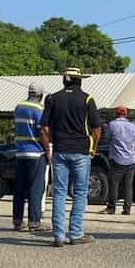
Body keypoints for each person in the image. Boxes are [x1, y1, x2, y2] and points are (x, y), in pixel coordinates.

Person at [40, 67, 102, 248]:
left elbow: (44, 128)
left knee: (59, 192)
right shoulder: (87, 99)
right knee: (80, 192)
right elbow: (97, 128)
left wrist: (52, 141)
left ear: (64, 80)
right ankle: (75, 233)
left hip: (60, 150)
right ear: (80, 80)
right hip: (81, 151)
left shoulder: (52, 99)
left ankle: (58, 235)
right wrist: (93, 147)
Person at [12, 83, 49, 232]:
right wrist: (48, 151)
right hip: (36, 152)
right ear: (40, 95)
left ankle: (18, 221)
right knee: (36, 187)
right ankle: (34, 222)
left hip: (20, 152)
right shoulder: (39, 109)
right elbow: (43, 132)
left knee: (20, 188)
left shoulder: (18, 107)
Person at [102, 105, 135, 215]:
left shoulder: (112, 124)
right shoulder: (132, 126)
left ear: (116, 114)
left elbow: (106, 138)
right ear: (126, 114)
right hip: (131, 159)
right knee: (128, 185)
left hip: (117, 159)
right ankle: (127, 209)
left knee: (114, 183)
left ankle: (111, 208)